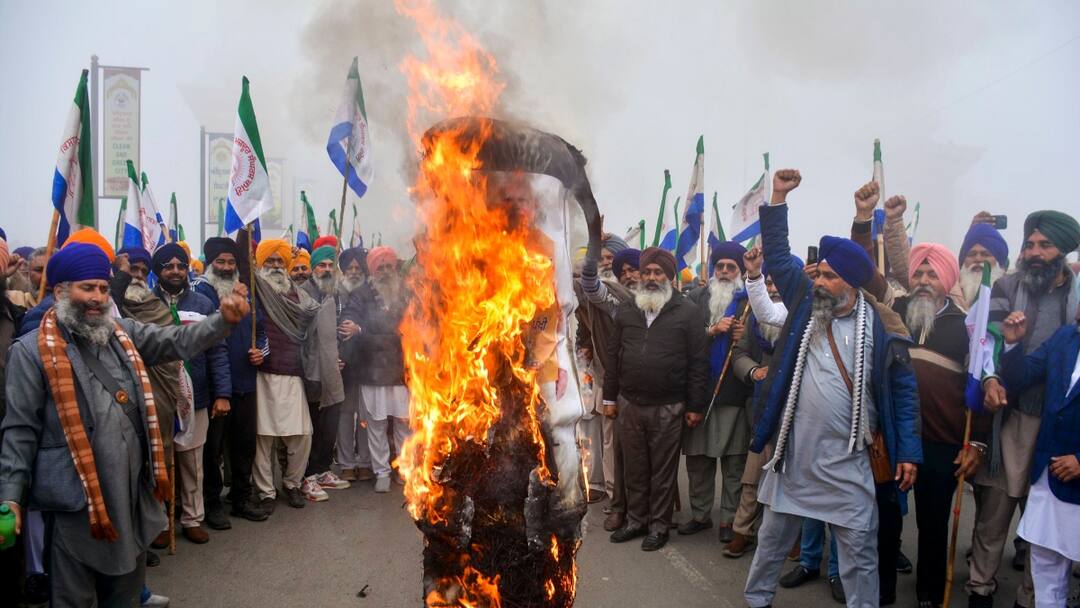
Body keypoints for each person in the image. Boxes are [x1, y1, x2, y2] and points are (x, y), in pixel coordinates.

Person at [0, 242, 249, 607]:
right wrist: (10, 496)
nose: (97, 297)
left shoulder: (120, 333)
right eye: (87, 287)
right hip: (74, 504)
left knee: (126, 597)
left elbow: (176, 340)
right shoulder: (30, 352)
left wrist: (222, 321)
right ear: (60, 291)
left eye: (102, 288)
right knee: (73, 599)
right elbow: (20, 430)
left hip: (129, 495)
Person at [743, 169, 921, 608]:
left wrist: (910, 452)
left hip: (849, 465)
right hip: (795, 456)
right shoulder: (806, 304)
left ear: (853, 283)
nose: (818, 282)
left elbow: (903, 394)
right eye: (818, 274)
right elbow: (780, 257)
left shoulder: (881, 327)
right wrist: (778, 198)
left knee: (860, 551)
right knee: (769, 543)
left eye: (829, 276)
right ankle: (756, 601)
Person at [969, 210, 1080, 608]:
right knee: (995, 512)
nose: (1034, 252)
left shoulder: (1077, 292)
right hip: (1011, 418)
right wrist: (991, 379)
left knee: (1043, 523)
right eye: (1029, 244)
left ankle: (1033, 597)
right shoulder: (1007, 286)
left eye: (1044, 245)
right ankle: (980, 589)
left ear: (1063, 250)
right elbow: (988, 343)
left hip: (1061, 426)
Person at [894, 243, 990, 607]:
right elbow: (871, 278)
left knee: (932, 524)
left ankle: (928, 593)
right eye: (918, 272)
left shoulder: (966, 326)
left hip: (942, 441)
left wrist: (977, 443)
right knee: (885, 513)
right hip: (897, 436)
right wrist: (872, 221)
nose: (923, 280)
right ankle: (881, 584)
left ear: (947, 278)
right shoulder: (897, 312)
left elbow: (981, 387)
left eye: (932, 274)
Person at [602, 247, 709, 551]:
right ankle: (636, 520)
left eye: (657, 272)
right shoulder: (627, 310)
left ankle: (659, 526)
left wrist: (695, 405)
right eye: (646, 272)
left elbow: (698, 363)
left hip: (669, 405)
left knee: (662, 471)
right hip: (629, 403)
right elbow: (614, 356)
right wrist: (610, 398)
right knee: (634, 467)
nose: (650, 277)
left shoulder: (688, 311)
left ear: (669, 277)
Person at [995, 308, 1080, 608]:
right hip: (1049, 474)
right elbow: (1022, 376)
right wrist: (1013, 345)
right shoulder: (1065, 336)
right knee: (1045, 567)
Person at [149, 242, 231, 543]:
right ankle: (159, 523)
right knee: (158, 461)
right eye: (168, 266)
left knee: (192, 460)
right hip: (157, 396)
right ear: (158, 271)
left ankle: (192, 518)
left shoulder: (203, 304)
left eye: (180, 266)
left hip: (195, 396)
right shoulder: (146, 304)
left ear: (187, 270)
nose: (175, 271)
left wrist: (223, 394)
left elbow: (217, 351)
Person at [191, 236, 270, 523]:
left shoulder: (246, 293)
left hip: (246, 381)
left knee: (244, 444)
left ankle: (241, 498)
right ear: (210, 263)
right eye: (220, 262)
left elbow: (260, 330)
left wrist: (261, 352)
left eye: (231, 262)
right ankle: (211, 504)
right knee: (212, 449)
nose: (226, 267)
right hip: (215, 387)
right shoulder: (201, 295)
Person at [682, 242, 751, 544]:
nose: (724, 272)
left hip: (734, 395)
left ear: (740, 271)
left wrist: (743, 335)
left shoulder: (751, 303)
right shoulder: (695, 299)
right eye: (719, 266)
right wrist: (712, 331)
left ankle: (729, 519)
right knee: (699, 460)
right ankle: (699, 515)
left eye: (730, 267)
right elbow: (681, 342)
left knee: (734, 462)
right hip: (699, 393)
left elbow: (764, 344)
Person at [250, 239, 321, 511]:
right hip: (263, 373)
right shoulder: (256, 293)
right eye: (270, 261)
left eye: (280, 261)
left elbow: (311, 321)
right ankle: (266, 492)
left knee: (302, 435)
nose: (277, 266)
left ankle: (291, 484)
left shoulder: (299, 297)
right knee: (263, 438)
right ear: (260, 263)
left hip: (292, 373)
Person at [578, 246, 639, 529]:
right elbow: (590, 286)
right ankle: (618, 501)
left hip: (650, 389)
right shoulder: (615, 302)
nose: (628, 275)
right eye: (622, 271)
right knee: (611, 442)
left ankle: (645, 508)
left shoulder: (663, 302)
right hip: (611, 382)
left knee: (644, 448)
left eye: (632, 269)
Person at [342, 246, 412, 494]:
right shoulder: (361, 294)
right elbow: (350, 320)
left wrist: (363, 333)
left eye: (388, 267)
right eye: (379, 268)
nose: (384, 272)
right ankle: (381, 471)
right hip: (372, 371)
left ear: (395, 268)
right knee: (376, 424)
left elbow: (413, 327)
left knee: (404, 424)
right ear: (372, 271)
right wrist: (365, 332)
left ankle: (405, 470)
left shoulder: (406, 292)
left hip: (401, 371)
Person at [297, 245, 350, 499]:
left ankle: (322, 471)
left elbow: (338, 330)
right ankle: (306, 477)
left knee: (330, 424)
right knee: (313, 426)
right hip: (311, 371)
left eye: (331, 265)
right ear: (313, 269)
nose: (327, 269)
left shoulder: (337, 293)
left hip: (332, 369)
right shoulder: (303, 293)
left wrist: (338, 356)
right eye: (322, 265)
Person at [335, 247, 374, 483]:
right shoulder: (334, 292)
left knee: (366, 417)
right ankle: (347, 463)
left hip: (369, 366)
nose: (353, 272)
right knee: (345, 416)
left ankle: (365, 462)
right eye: (349, 268)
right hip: (343, 366)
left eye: (358, 268)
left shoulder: (373, 293)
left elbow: (381, 326)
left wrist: (360, 331)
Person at [958, 217, 1010, 308]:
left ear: (998, 261)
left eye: (985, 254)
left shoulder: (1010, 292)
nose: (978, 259)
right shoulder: (950, 294)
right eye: (971, 254)